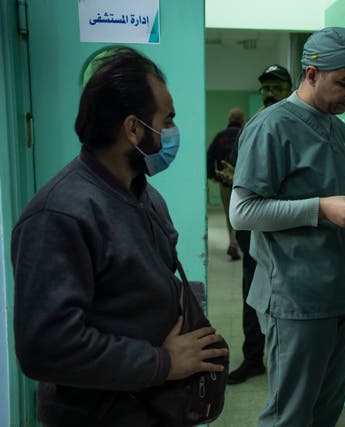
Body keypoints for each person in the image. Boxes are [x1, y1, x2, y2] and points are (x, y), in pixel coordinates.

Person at [11, 47, 228, 426]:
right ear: (133, 129)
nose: (174, 132)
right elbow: (46, 348)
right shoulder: (60, 214)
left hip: (153, 405)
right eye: (168, 120)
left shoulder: (144, 195)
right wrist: (163, 362)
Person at [230, 27, 345, 425]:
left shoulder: (340, 130)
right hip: (296, 297)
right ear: (311, 74)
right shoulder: (271, 126)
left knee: (326, 412)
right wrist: (319, 208)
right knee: (290, 416)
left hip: (340, 291)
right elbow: (242, 212)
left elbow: (328, 202)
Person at [226, 64, 293, 384]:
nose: (269, 94)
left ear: (290, 89)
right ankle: (253, 357)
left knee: (281, 301)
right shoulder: (252, 126)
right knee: (253, 295)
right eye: (265, 88)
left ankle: (283, 362)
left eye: (275, 88)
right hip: (252, 229)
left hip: (285, 232)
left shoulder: (298, 126)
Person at [207, 107, 244, 261]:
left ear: (229, 119)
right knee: (244, 213)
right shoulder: (245, 134)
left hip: (225, 182)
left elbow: (209, 156)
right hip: (244, 183)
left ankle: (233, 243)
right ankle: (242, 243)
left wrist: (212, 175)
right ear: (242, 120)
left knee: (230, 213)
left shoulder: (220, 137)